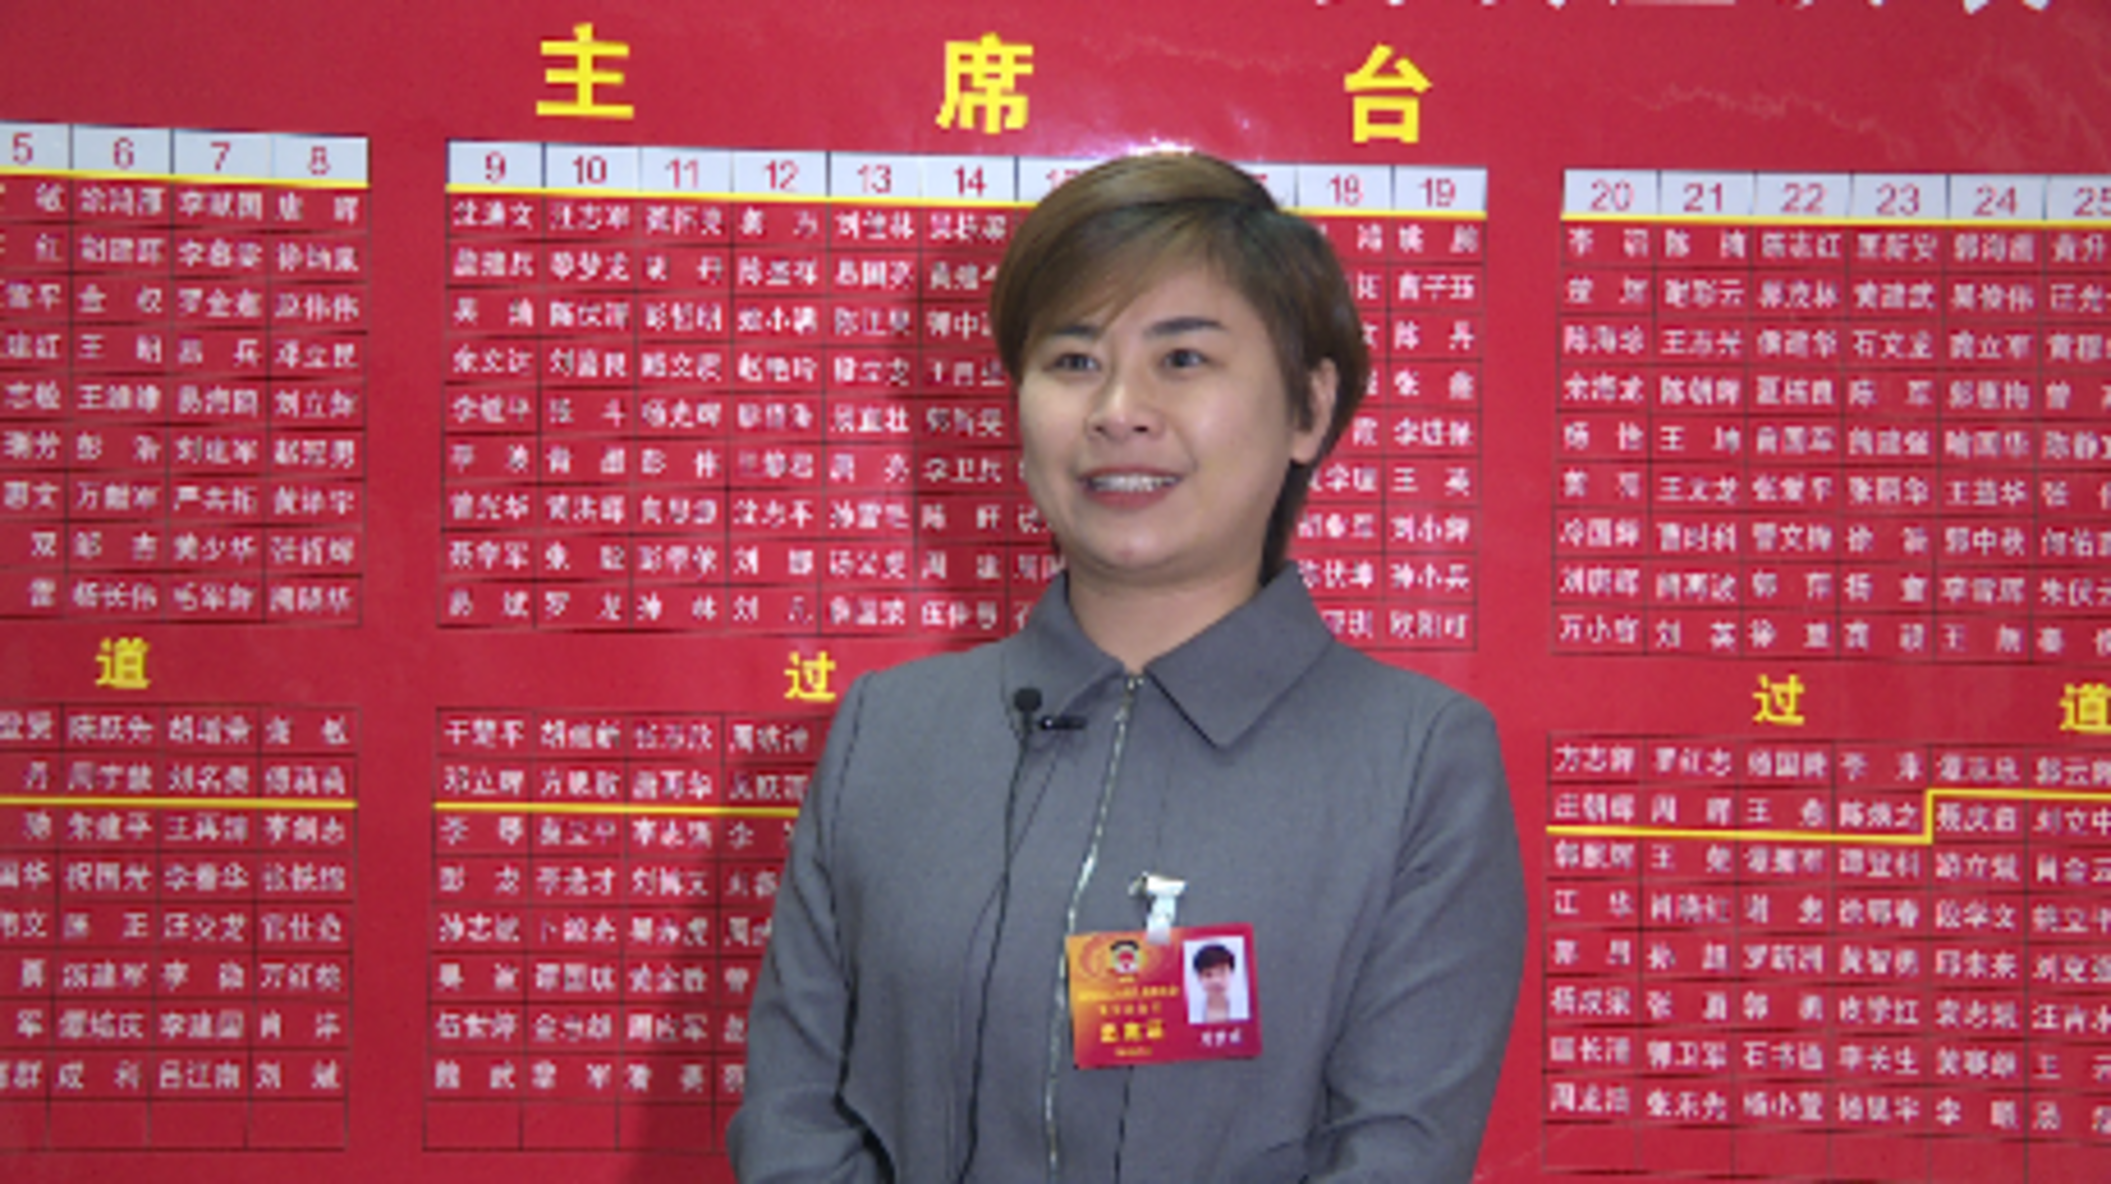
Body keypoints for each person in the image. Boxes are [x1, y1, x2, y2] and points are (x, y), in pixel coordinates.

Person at [729, 151, 1526, 1183]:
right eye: (1072, 361)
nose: (1117, 409)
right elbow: (793, 1119)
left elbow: (1396, 1153)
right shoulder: (889, 730)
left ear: (1307, 408)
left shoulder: (1416, 760)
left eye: (1182, 358)